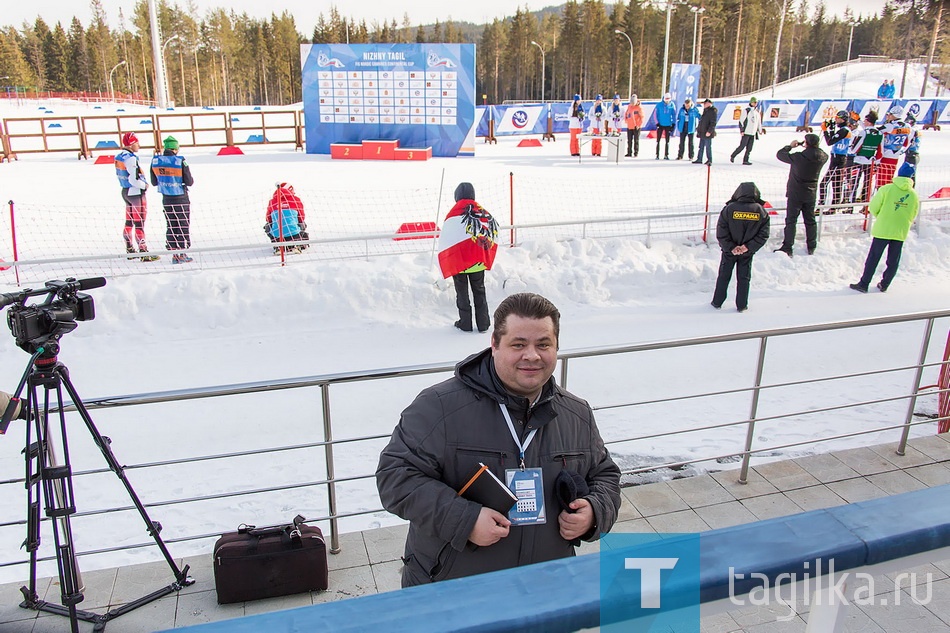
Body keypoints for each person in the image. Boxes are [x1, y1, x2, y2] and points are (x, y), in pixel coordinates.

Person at [376, 292, 621, 587]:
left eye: (543, 344)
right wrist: (464, 520)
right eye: (518, 344)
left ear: (556, 347)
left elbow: (605, 475)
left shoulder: (576, 413)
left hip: (546, 587)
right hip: (453, 591)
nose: (531, 355)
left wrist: (595, 511)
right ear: (494, 344)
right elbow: (395, 477)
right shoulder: (438, 406)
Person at [437, 182, 499, 333]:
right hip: (478, 261)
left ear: (456, 195)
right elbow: (493, 227)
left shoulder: (453, 214)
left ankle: (465, 323)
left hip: (460, 263)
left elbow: (447, 237)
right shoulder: (481, 212)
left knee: (462, 293)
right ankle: (483, 323)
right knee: (479, 291)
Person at [849, 162, 919, 293]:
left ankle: (864, 284)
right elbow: (913, 213)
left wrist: (881, 216)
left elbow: (873, 207)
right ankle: (885, 284)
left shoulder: (887, 189)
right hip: (900, 230)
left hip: (883, 228)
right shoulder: (914, 195)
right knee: (893, 260)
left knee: (874, 257)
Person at [710, 182, 770, 313]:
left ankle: (717, 302)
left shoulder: (729, 209)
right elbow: (763, 234)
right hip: (747, 252)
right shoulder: (761, 211)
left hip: (729, 252)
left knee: (724, 276)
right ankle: (742, 305)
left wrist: (731, 247)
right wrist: (747, 247)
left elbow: (721, 230)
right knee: (744, 278)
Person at [774, 134, 829, 257]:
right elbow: (822, 153)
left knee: (791, 221)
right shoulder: (823, 157)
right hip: (811, 193)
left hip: (796, 193)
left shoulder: (799, 157)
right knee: (810, 220)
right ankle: (812, 245)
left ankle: (787, 246)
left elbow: (780, 155)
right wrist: (808, 145)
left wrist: (790, 146)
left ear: (807, 143)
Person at [150, 136, 194, 264]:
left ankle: (173, 254)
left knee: (171, 225)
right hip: (181, 197)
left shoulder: (156, 161)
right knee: (182, 225)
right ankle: (182, 253)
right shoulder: (180, 161)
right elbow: (189, 181)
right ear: (176, 148)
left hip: (166, 198)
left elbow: (154, 182)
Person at [115, 132, 157, 261]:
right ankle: (143, 251)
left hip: (125, 191)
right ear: (132, 143)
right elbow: (133, 179)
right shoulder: (131, 158)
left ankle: (129, 248)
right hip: (135, 192)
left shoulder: (120, 156)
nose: (139, 145)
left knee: (129, 221)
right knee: (139, 223)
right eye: (137, 143)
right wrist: (144, 185)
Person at [818, 110, 852, 213]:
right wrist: (831, 128)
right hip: (837, 158)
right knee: (836, 184)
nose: (836, 120)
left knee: (824, 183)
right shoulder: (842, 130)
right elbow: (833, 138)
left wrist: (825, 130)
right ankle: (834, 207)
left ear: (843, 119)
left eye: (838, 118)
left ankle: (822, 205)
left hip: (838, 159)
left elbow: (829, 141)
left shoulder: (844, 130)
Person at [848, 111, 882, 207]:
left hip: (858, 161)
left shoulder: (863, 132)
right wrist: (877, 161)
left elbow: (855, 148)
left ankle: (850, 206)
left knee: (854, 183)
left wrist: (852, 149)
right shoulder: (879, 133)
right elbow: (881, 150)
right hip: (871, 161)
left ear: (868, 121)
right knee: (868, 184)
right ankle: (866, 206)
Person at [265, 182, 308, 253]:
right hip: (294, 232)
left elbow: (268, 219)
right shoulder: (296, 200)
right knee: (301, 224)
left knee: (268, 226)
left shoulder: (272, 201)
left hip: (277, 234)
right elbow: (301, 217)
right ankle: (296, 244)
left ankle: (278, 245)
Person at [876, 105, 911, 187]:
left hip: (885, 154)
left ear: (894, 115)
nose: (888, 116)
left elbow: (874, 131)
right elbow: (909, 141)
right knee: (889, 178)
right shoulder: (908, 126)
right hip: (896, 155)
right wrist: (902, 150)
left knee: (881, 180)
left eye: (889, 114)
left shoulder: (890, 126)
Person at [730, 97, 763, 165]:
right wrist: (742, 130)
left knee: (749, 148)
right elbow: (741, 121)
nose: (755, 104)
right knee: (742, 146)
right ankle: (733, 155)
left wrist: (760, 130)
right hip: (746, 132)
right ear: (751, 102)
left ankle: (745, 160)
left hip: (753, 133)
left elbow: (758, 122)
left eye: (756, 102)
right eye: (754, 102)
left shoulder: (757, 112)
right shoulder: (746, 111)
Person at [693, 98, 717, 165]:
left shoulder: (712, 111)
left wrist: (709, 131)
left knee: (708, 147)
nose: (704, 105)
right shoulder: (705, 111)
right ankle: (699, 159)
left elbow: (713, 123)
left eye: (705, 103)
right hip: (702, 132)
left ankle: (709, 159)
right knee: (701, 146)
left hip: (707, 132)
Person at [653, 92, 676, 160]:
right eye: (666, 99)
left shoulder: (672, 105)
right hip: (660, 124)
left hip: (668, 124)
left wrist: (673, 124)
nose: (667, 101)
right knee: (658, 140)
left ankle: (666, 154)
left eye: (668, 99)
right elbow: (655, 114)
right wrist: (657, 123)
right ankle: (657, 154)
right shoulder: (659, 105)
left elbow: (674, 115)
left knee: (667, 141)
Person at [623, 93, 643, 157]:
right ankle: (629, 152)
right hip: (629, 126)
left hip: (636, 126)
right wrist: (626, 120)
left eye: (633, 103)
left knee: (636, 140)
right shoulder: (629, 106)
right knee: (629, 140)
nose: (632, 104)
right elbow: (626, 114)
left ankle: (636, 152)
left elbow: (642, 117)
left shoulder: (639, 108)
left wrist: (638, 125)